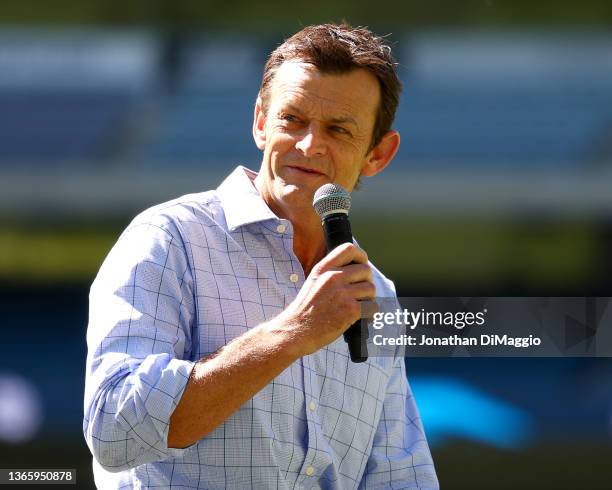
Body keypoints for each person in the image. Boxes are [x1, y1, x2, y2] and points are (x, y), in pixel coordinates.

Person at [83, 23, 438, 489]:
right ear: (260, 122)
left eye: (338, 129)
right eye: (292, 119)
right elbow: (114, 432)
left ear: (378, 154)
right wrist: (293, 332)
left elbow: (399, 476)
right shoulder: (170, 238)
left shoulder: (376, 293)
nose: (309, 145)